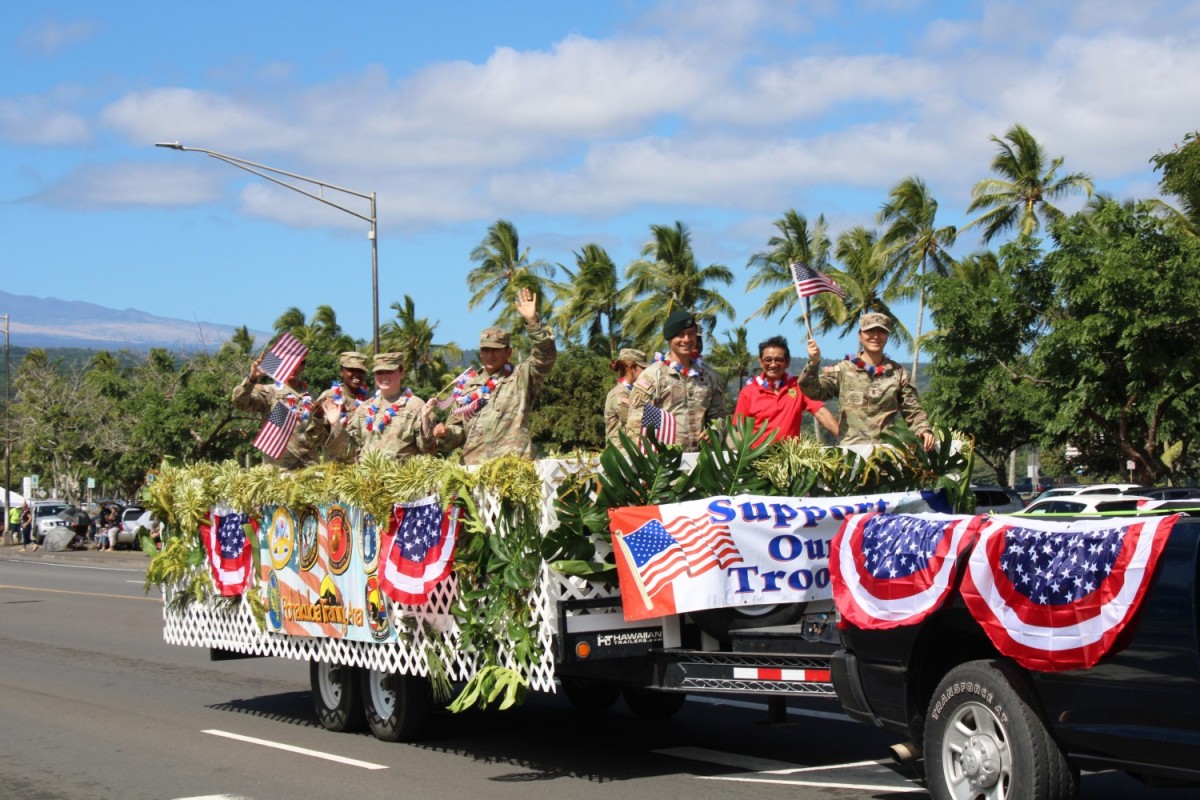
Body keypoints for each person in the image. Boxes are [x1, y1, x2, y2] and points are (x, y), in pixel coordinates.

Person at [430, 287, 557, 464]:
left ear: (508, 352)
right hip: (474, 471)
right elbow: (458, 434)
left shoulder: (520, 377)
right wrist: (445, 433)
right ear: (480, 353)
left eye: (495, 350)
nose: (490, 355)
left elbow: (545, 357)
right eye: (485, 350)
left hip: (514, 468)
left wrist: (532, 321)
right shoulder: (466, 388)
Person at [801, 313, 936, 450]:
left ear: (887, 336)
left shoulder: (898, 374)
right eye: (870, 331)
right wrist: (814, 362)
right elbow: (813, 391)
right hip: (851, 454)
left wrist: (923, 429)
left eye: (882, 331)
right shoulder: (842, 370)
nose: (876, 336)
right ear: (860, 335)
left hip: (886, 453)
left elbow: (912, 409)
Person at [624, 309, 727, 452]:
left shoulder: (709, 376)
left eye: (691, 334)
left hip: (700, 462)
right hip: (664, 462)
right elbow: (636, 424)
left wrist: (714, 432)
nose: (686, 340)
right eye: (680, 335)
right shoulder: (653, 376)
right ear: (669, 339)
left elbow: (719, 417)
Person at [734, 335, 839, 446]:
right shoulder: (748, 392)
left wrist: (845, 440)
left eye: (779, 360)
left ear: (787, 362)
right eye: (768, 360)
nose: (773, 364)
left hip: (790, 458)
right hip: (758, 460)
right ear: (760, 362)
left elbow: (821, 413)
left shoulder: (798, 386)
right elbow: (739, 429)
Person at [323, 352, 428, 461]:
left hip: (400, 476)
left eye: (389, 371)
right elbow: (348, 451)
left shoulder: (416, 405)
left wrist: (425, 422)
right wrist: (336, 424)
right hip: (367, 476)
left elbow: (428, 449)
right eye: (379, 372)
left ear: (401, 373)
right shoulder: (364, 408)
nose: (383, 376)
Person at [232, 348, 319, 469]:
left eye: (298, 363)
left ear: (302, 367)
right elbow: (240, 403)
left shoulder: (313, 396)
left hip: (308, 467)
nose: (293, 367)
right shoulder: (269, 392)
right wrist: (252, 378)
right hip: (277, 469)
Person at [313, 351, 370, 463]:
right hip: (335, 469)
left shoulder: (370, 401)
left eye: (361, 371)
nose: (357, 374)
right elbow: (314, 440)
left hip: (363, 469)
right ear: (341, 372)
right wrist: (317, 418)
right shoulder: (329, 397)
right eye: (351, 370)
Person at [604, 348, 650, 445]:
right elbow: (634, 422)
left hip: (632, 453)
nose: (647, 372)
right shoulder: (619, 394)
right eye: (643, 369)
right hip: (622, 455)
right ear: (630, 368)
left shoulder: (634, 391)